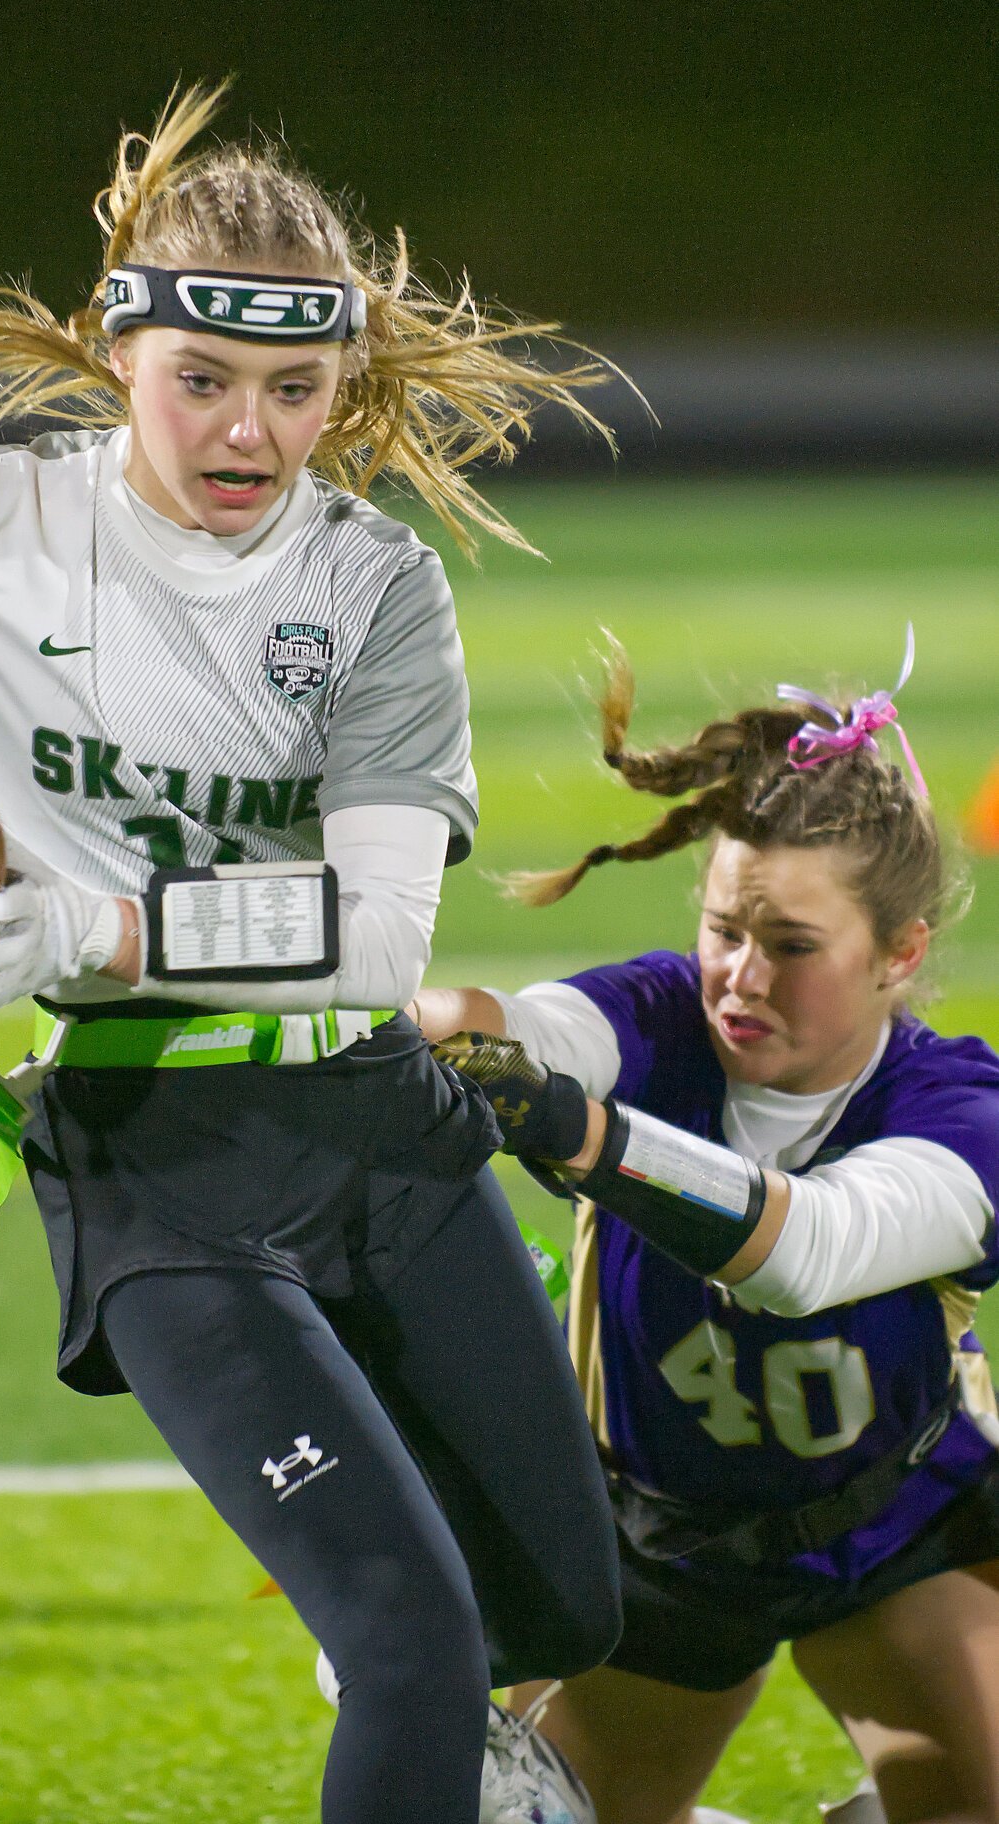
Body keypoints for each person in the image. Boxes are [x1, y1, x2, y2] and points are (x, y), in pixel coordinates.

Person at [0, 85, 623, 1824]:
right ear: (118, 351)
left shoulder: (371, 581)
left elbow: (381, 933)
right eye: (202, 380)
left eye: (296, 391)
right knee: (410, 1638)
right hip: (149, 1162)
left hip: (379, 1122)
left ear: (339, 381)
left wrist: (87, 925)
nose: (249, 431)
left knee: (566, 1601)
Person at [419, 640, 999, 1824]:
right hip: (657, 1540)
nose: (738, 976)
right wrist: (381, 1013)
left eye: (790, 946)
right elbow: (502, 1024)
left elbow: (808, 1251)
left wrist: (578, 1132)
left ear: (899, 955)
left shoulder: (964, 1112)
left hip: (900, 1520)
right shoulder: (653, 1014)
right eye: (722, 927)